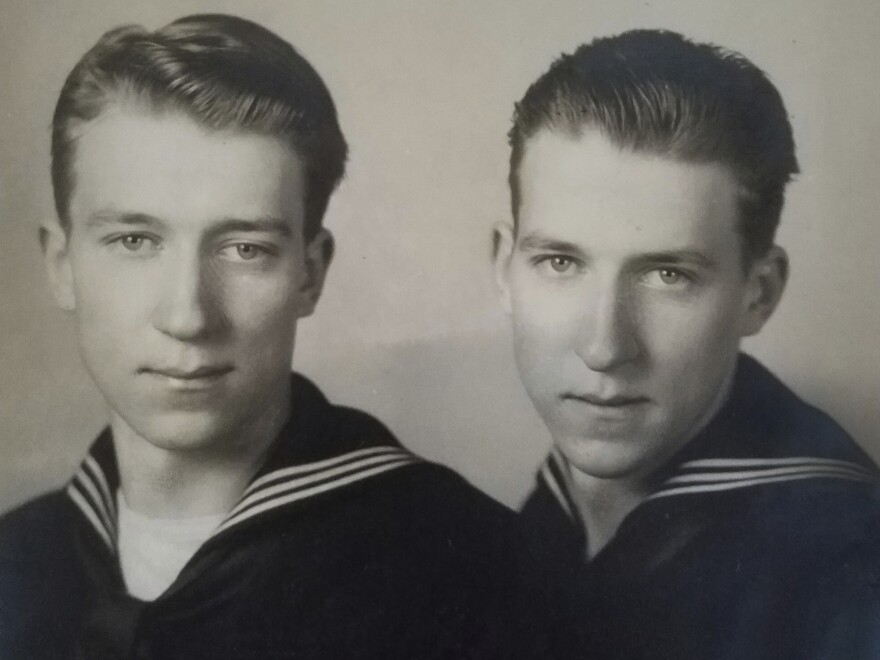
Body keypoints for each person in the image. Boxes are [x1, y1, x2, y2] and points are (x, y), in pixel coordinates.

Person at [0, 14, 564, 659]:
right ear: (61, 266)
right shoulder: (17, 562)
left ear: (311, 274)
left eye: (245, 249)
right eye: (135, 241)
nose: (188, 315)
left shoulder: (475, 570)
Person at [493, 29, 880, 658]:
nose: (603, 346)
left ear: (759, 293)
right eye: (561, 262)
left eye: (669, 276)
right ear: (503, 269)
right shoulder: (550, 513)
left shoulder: (847, 573)